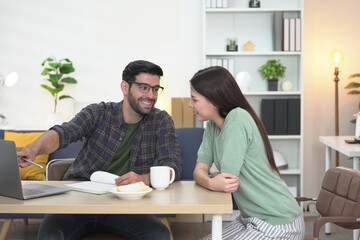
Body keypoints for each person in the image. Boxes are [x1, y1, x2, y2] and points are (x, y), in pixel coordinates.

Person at [17, 60, 182, 240]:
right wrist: (34, 148)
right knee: (50, 236)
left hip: (125, 206)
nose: (151, 95)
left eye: (155, 89)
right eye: (144, 87)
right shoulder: (98, 112)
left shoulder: (161, 121)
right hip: (78, 200)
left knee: (159, 235)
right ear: (125, 87)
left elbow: (173, 165)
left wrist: (143, 179)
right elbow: (63, 133)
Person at [189, 66, 305, 240]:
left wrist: (212, 179)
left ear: (214, 100)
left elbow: (227, 181)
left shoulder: (237, 119)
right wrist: (212, 181)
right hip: (250, 219)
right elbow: (198, 171)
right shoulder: (213, 125)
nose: (190, 104)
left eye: (194, 99)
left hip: (278, 222)